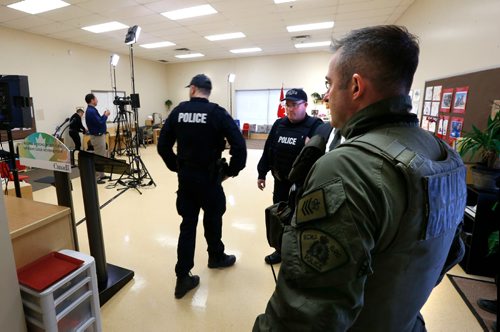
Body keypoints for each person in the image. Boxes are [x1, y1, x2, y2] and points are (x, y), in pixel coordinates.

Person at [254, 25, 467, 331]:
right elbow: (449, 254)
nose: (326, 96)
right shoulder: (446, 156)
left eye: (329, 84)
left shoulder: (347, 167)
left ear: (355, 86)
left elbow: (306, 312)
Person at [157, 74, 247, 299]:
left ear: (193, 89)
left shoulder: (178, 112)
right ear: (208, 91)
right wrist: (230, 171)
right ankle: (216, 256)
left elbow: (162, 146)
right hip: (210, 180)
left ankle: (182, 277)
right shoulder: (217, 113)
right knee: (213, 217)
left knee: (187, 225)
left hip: (186, 180)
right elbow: (239, 146)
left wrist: (176, 166)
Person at [257, 88, 323, 265]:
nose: (290, 109)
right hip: (280, 182)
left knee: (302, 218)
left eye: (294, 105)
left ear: (305, 105)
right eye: (288, 105)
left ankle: (300, 253)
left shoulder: (316, 126)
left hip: (302, 185)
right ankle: (279, 250)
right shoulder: (279, 125)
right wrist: (261, 173)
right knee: (280, 217)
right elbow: (268, 150)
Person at [85, 93, 110, 184]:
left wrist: (103, 115)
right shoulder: (91, 111)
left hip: (99, 136)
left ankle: (101, 174)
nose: (97, 100)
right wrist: (106, 115)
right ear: (92, 100)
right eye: (96, 99)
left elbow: (98, 120)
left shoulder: (92, 110)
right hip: (97, 136)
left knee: (102, 156)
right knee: (98, 157)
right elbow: (100, 122)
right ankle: (97, 177)